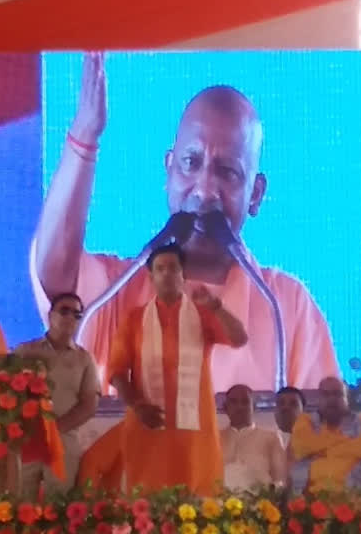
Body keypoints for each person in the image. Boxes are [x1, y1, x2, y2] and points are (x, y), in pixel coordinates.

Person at [31, 52, 338, 392]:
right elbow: (57, 274)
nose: (205, 191)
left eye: (227, 172)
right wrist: (84, 137)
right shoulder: (117, 289)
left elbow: (321, 430)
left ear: (256, 194)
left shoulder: (287, 308)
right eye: (191, 163)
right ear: (168, 170)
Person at [106, 244, 247, 495]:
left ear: (184, 275)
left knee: (197, 509)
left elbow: (239, 339)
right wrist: (138, 406)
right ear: (150, 278)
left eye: (173, 268)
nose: (167, 274)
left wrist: (216, 308)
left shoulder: (203, 314)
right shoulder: (134, 319)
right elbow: (117, 372)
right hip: (147, 426)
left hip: (194, 430)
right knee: (146, 508)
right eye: (160, 269)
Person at [13, 292, 101, 498]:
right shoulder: (25, 352)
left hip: (63, 441)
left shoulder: (84, 359)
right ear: (51, 315)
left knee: (59, 508)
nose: (70, 318)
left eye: (77, 314)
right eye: (64, 311)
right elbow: (7, 393)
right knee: (20, 505)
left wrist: (55, 429)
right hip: (26, 439)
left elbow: (89, 404)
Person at [290, 377, 361, 494]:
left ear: (346, 398)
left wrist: (322, 451)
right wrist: (348, 444)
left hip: (354, 497)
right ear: (319, 398)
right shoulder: (305, 421)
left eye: (337, 394)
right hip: (310, 498)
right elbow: (302, 448)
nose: (331, 399)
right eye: (326, 394)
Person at [220, 384, 286, 492]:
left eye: (245, 402)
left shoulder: (271, 438)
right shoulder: (215, 439)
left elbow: (280, 481)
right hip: (220, 505)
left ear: (254, 407)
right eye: (233, 402)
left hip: (260, 504)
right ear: (225, 408)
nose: (239, 407)